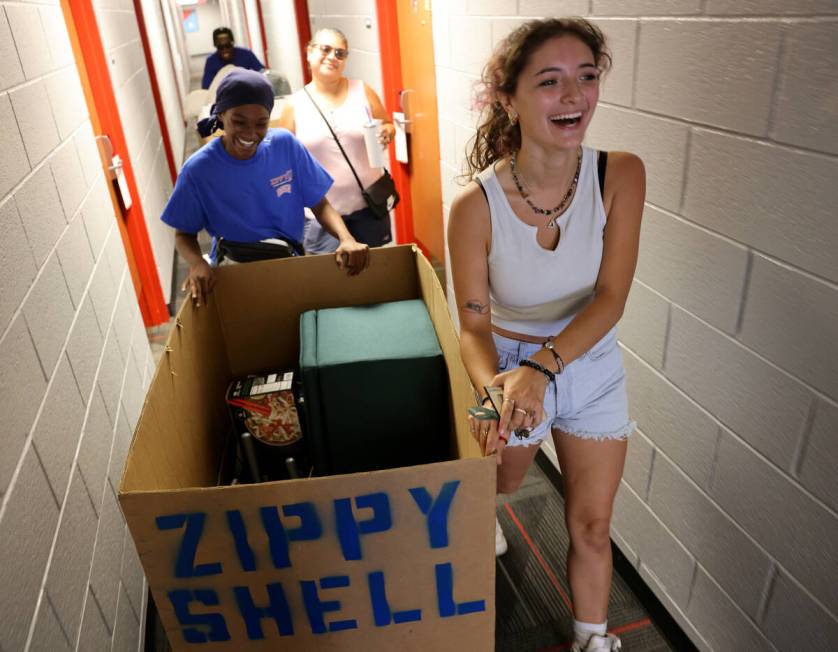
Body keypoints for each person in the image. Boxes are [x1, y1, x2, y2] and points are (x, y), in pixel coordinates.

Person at [447, 18, 645, 652]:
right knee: (505, 483)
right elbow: (473, 326)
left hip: (585, 360)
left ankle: (594, 639)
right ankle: (492, 516)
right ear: (509, 98)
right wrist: (496, 392)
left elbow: (611, 297)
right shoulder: (474, 208)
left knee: (591, 522)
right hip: (504, 365)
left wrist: (547, 366)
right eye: (551, 81)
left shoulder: (622, 174)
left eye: (587, 77)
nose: (575, 96)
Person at [162, 69, 370, 307]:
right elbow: (183, 234)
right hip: (234, 271)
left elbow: (319, 204)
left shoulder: (285, 145)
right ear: (221, 115)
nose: (250, 134)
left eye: (261, 124)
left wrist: (346, 238)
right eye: (239, 122)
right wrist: (197, 263)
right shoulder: (198, 170)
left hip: (287, 262)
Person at [278, 28, 395, 254]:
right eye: (326, 49)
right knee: (330, 283)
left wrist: (388, 132)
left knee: (375, 278)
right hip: (322, 216)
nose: (333, 57)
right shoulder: (295, 105)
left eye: (340, 53)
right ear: (309, 53)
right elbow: (284, 162)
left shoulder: (362, 91)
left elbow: (386, 123)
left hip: (368, 208)